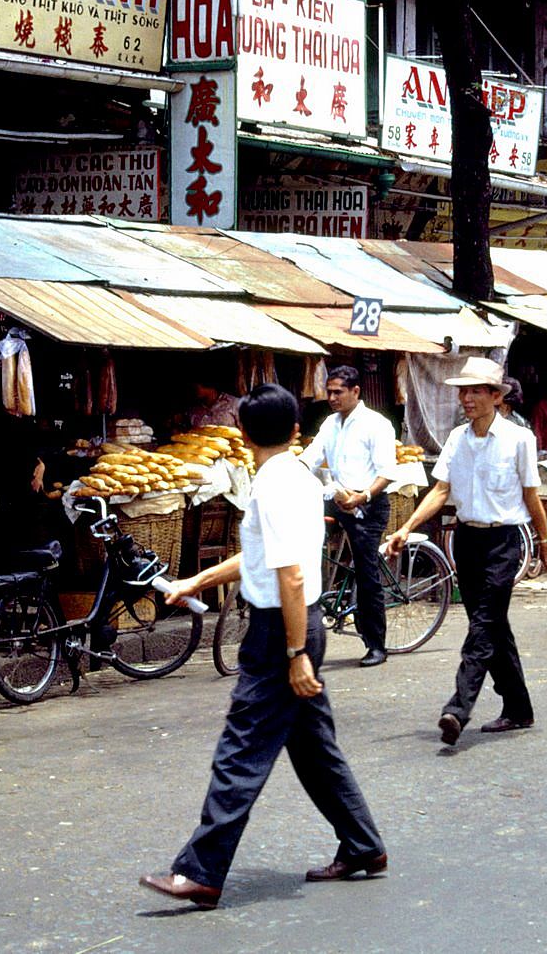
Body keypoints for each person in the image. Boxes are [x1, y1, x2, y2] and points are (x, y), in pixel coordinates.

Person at [141, 384, 385, 910]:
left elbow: (290, 577)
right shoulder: (296, 475)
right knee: (314, 748)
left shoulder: (273, 486)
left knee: (242, 750)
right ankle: (364, 844)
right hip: (299, 625)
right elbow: (263, 560)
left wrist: (296, 654)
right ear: (297, 430)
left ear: (243, 434)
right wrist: (197, 580)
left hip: (282, 632)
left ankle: (201, 872)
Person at [382, 357, 547, 746]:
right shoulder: (457, 439)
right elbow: (441, 491)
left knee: (482, 626)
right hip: (467, 541)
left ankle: (458, 709)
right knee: (494, 626)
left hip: (502, 543)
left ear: (497, 397)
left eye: (475, 391)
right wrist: (407, 528)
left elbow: (532, 496)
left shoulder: (519, 440)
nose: (466, 399)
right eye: (463, 391)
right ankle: (518, 708)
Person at [299, 365, 397, 668]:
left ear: (356, 391)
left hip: (368, 502)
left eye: (338, 392)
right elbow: (311, 457)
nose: (331, 397)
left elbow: (386, 472)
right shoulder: (331, 423)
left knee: (367, 574)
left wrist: (363, 495)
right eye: (329, 392)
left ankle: (376, 645)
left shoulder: (375, 425)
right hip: (338, 496)